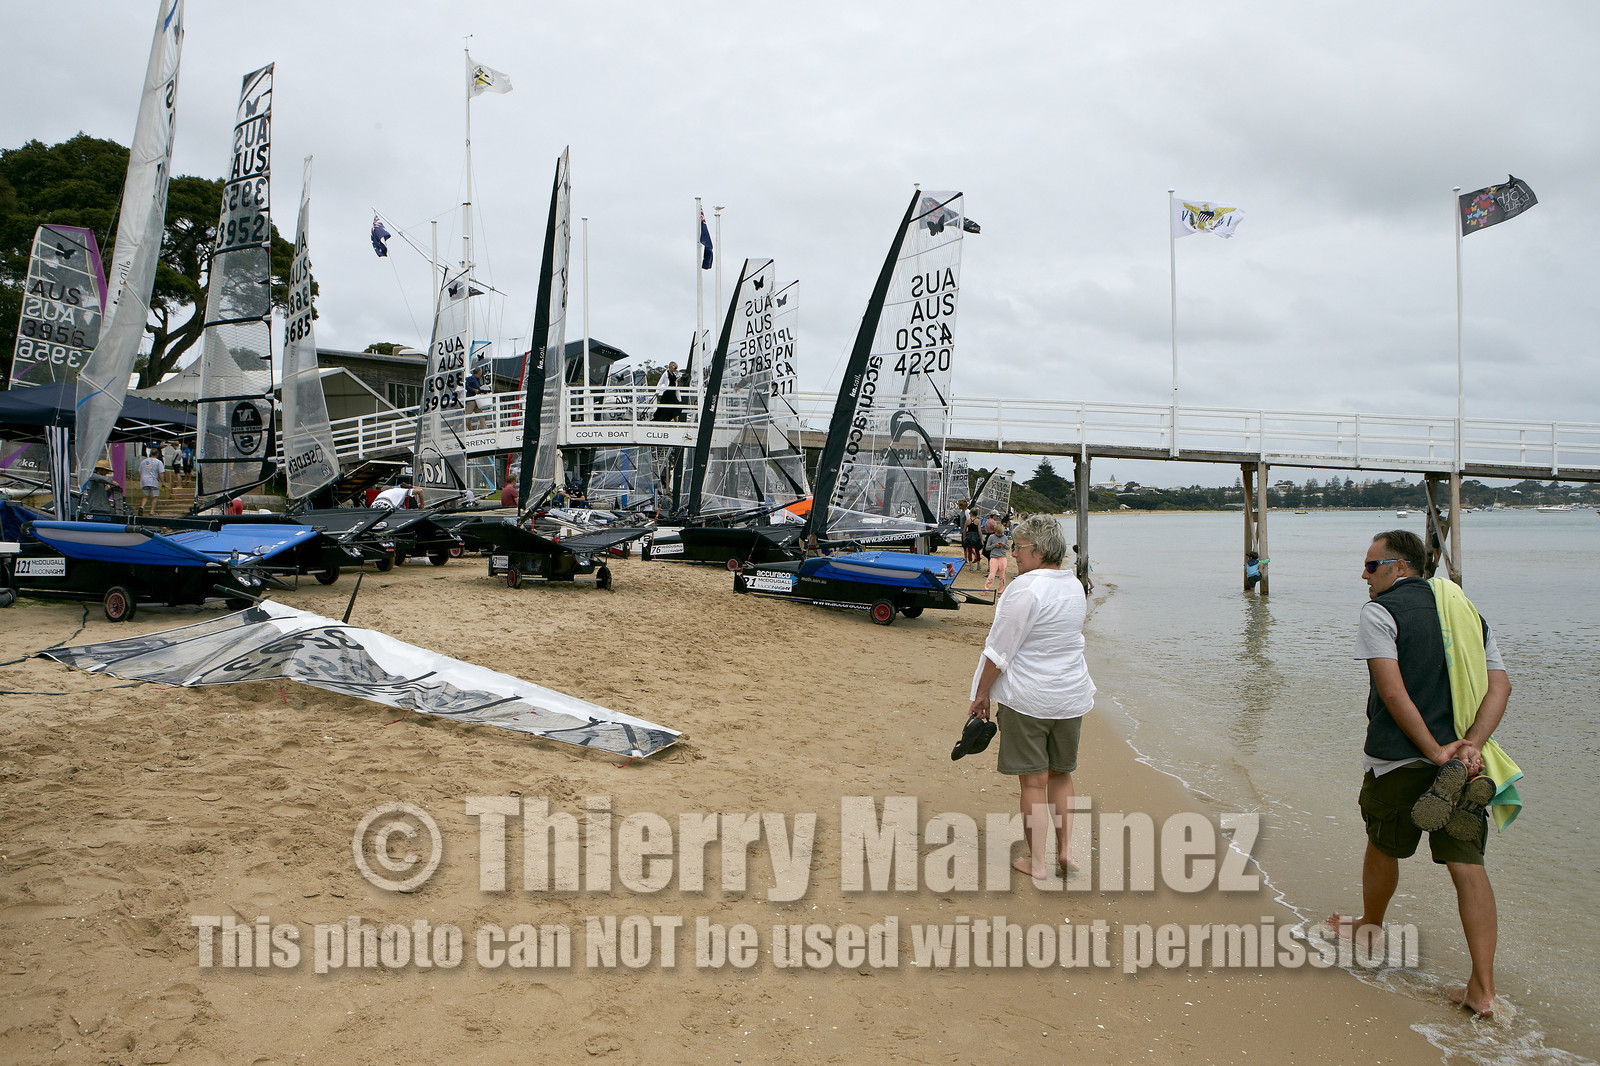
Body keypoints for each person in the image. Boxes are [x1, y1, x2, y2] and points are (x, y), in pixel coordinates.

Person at [1326, 530, 1510, 1017]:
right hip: (1465, 763)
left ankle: (1370, 925)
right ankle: (1483, 990)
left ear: (1399, 567)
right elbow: (1500, 687)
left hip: (1401, 759)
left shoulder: (1379, 612)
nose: (1363, 576)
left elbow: (1392, 691)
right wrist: (1471, 745)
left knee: (1384, 840)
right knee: (1468, 867)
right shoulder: (1465, 612)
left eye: (1370, 566)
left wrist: (1434, 751)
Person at [967, 515, 1095, 881]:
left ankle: (1037, 863)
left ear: (1038, 550)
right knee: (1061, 774)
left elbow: (999, 651)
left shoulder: (1025, 589)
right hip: (1071, 695)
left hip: (1030, 699)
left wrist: (981, 695)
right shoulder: (1073, 585)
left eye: (1019, 547)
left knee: (1034, 782)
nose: (1015, 553)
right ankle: (1066, 851)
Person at [984, 517, 1010, 594]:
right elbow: (987, 548)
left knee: (1002, 576)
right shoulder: (991, 537)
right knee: (992, 575)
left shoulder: (1004, 537)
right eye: (998, 533)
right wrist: (994, 545)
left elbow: (1008, 547)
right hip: (994, 557)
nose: (1000, 534)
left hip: (1002, 557)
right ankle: (986, 589)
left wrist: (1004, 545)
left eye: (1001, 533)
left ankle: (1000, 591)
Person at [136, 446, 164, 516]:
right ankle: (151, 511)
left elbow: (139, 471)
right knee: (155, 496)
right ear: (157, 454)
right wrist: (163, 482)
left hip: (144, 481)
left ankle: (142, 507)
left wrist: (142, 477)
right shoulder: (159, 462)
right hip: (153, 481)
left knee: (146, 495)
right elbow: (161, 473)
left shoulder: (144, 461)